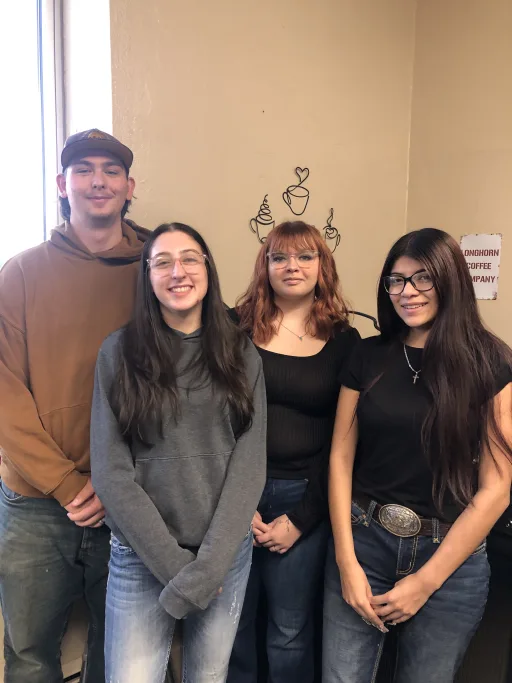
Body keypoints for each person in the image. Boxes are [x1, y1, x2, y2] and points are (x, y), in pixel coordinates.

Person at [324, 227, 512, 683]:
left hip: (449, 558)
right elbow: (340, 460)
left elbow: (498, 487)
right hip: (364, 540)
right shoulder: (368, 357)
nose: (406, 292)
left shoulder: (490, 362)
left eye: (422, 278)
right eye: (396, 280)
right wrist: (347, 565)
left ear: (451, 281)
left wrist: (425, 583)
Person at [0, 128, 148, 683]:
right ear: (63, 184)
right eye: (83, 170)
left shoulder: (159, 272)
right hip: (35, 502)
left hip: (129, 499)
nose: (97, 181)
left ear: (129, 186)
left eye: (110, 171)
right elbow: (4, 392)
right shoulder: (20, 273)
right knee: (30, 653)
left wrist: (120, 482)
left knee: (121, 654)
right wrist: (66, 484)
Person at [90, 222, 267, 683]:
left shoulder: (240, 353)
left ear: (207, 270)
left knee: (208, 677)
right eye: (162, 262)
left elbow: (249, 465)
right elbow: (110, 472)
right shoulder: (119, 352)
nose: (178, 272)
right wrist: (180, 571)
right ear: (147, 277)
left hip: (224, 553)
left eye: (190, 258)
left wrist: (208, 568)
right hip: (140, 553)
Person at [228, 221, 360, 683]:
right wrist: (235, 506)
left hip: (305, 496)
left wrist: (302, 519)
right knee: (231, 624)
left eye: (306, 256)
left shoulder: (345, 341)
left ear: (323, 266)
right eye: (279, 257)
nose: (292, 267)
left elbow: (344, 444)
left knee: (289, 631)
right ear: (264, 266)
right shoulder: (233, 327)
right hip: (233, 496)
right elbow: (209, 423)